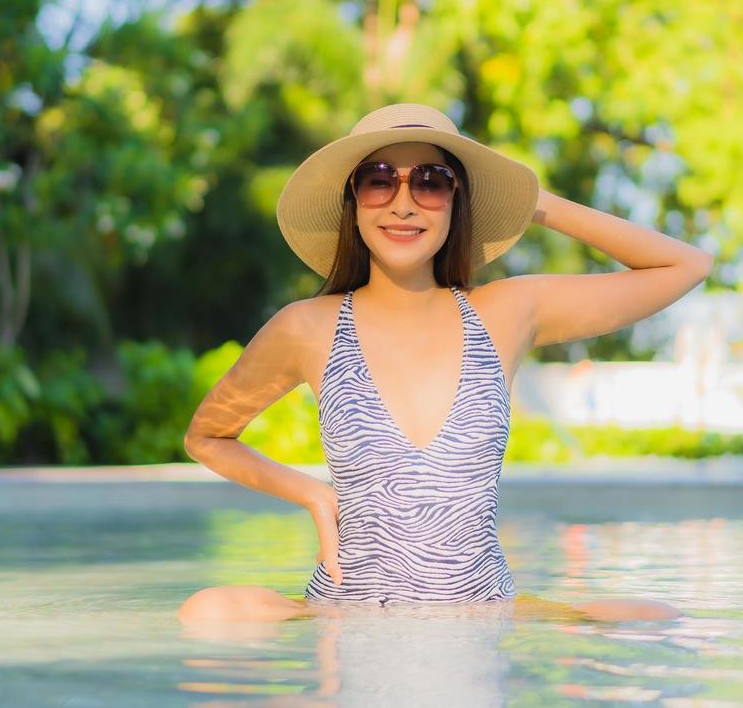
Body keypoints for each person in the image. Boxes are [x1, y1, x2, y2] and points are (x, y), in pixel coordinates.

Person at [178, 103, 712, 624]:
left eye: (431, 183)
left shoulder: (505, 313)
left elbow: (686, 264)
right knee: (207, 610)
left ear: (458, 200)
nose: (403, 204)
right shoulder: (308, 327)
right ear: (354, 201)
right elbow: (207, 436)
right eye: (379, 180)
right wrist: (311, 492)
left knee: (656, 616)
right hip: (349, 611)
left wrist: (538, 203)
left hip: (480, 609)